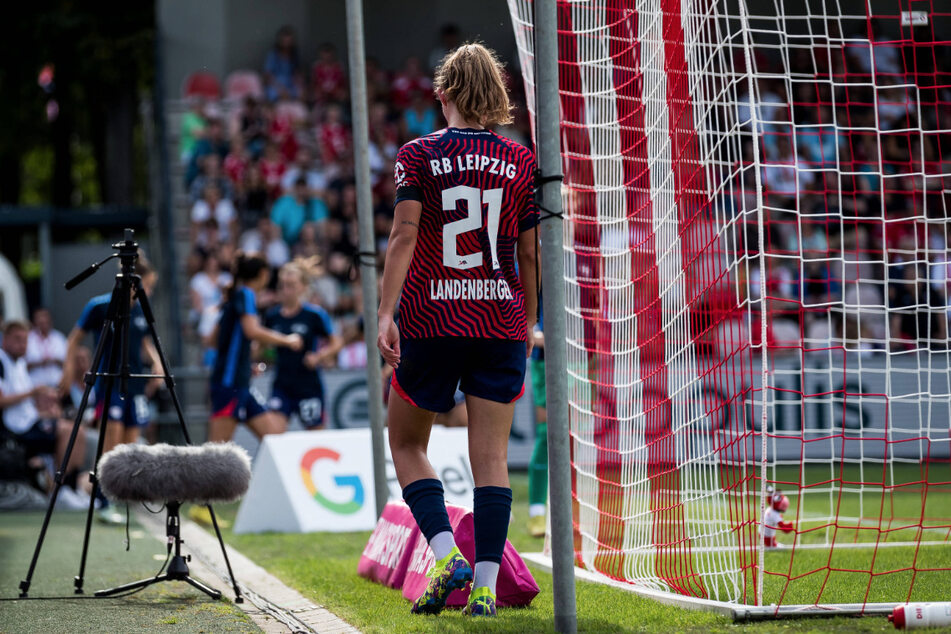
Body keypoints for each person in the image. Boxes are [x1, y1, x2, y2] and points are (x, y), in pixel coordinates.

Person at [377, 43, 538, 618]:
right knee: (491, 460)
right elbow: (528, 252)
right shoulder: (521, 160)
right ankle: (488, 587)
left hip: (431, 316)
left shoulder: (418, 153)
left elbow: (403, 234)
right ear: (496, 96)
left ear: (441, 94)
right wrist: (529, 321)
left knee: (405, 442)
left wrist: (384, 312)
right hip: (498, 316)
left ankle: (447, 557)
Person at [61, 253, 162, 524]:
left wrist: (156, 364)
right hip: (109, 383)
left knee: (130, 443)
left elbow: (143, 341)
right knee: (111, 441)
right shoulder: (100, 306)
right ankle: (103, 500)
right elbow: (74, 339)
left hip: (135, 385)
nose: (148, 291)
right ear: (133, 282)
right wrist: (68, 370)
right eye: (147, 285)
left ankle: (123, 496)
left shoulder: (141, 309)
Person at [208, 251, 303, 444]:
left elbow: (213, 340)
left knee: (276, 439)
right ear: (263, 273)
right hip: (229, 384)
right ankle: (195, 476)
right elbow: (252, 330)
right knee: (217, 450)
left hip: (240, 383)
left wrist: (244, 364)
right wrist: (288, 340)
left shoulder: (236, 296)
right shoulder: (245, 294)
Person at [0, 321, 88, 508]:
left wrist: (45, 408)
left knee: (77, 430)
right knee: (69, 432)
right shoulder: (1, 362)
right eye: (17, 339)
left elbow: (25, 404)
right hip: (13, 429)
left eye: (25, 340)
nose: (22, 345)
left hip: (29, 422)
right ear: (5, 339)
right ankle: (60, 490)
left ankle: (69, 488)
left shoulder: (20, 364)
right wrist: (33, 392)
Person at [264, 258, 342, 430]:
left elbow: (337, 343)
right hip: (282, 384)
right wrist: (260, 358)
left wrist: (319, 356)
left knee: (315, 439)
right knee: (273, 433)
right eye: (282, 284)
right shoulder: (272, 316)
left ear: (303, 287)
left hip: (309, 385)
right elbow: (262, 347)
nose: (286, 290)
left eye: (291, 284)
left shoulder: (314, 315)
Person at [527, 311, 547, 538]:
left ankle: (576, 511)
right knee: (548, 435)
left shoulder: (589, 275)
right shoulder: (533, 274)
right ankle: (537, 512)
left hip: (583, 354)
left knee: (578, 435)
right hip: (545, 359)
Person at [25, 307, 67, 389]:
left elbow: (68, 363)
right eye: (39, 318)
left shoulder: (59, 338)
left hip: (58, 384)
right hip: (36, 386)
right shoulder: (28, 338)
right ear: (34, 321)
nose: (43, 320)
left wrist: (56, 361)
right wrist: (39, 363)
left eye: (45, 317)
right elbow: (22, 365)